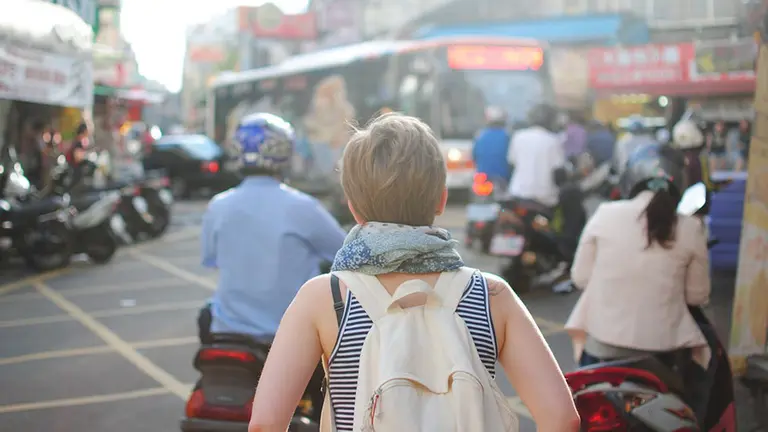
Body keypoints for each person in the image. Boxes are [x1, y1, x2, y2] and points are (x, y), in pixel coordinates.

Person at [248, 113, 580, 432]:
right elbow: (562, 419)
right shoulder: (491, 296)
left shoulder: (325, 298)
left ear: (353, 206)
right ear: (441, 199)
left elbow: (265, 423)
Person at [198, 112, 346, 343]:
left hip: (227, 331)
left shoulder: (218, 206)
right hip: (288, 337)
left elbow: (210, 259)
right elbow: (344, 254)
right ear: (285, 153)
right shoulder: (302, 207)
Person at [565, 142, 710, 371]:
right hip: (664, 352)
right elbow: (696, 296)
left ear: (630, 179)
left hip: (602, 348)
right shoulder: (691, 227)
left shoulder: (605, 214)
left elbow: (581, 278)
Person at [507, 104, 567, 210]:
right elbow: (558, 173)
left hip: (518, 194)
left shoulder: (518, 137)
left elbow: (512, 163)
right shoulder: (553, 140)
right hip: (544, 199)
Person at [471, 106, 511, 185]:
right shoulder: (507, 136)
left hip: (482, 177)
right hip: (502, 177)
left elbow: (474, 156)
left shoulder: (480, 135)